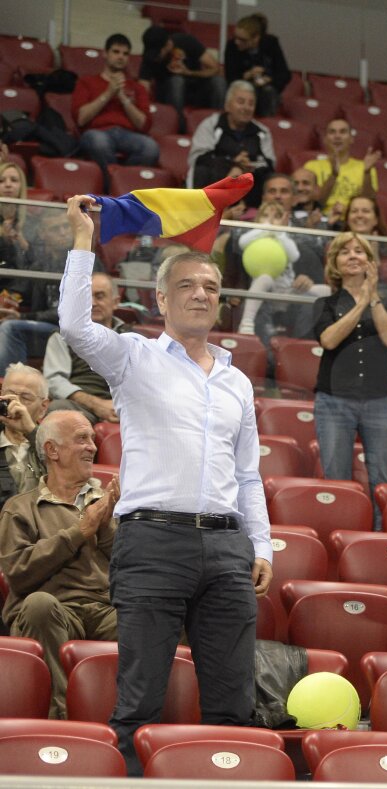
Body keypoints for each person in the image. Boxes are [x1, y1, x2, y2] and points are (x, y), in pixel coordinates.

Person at [60, 194, 272, 775]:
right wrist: (84, 242)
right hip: (153, 543)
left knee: (235, 705)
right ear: (160, 298)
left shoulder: (236, 381)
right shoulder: (133, 358)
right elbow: (75, 324)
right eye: (186, 285)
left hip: (228, 548)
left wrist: (261, 545)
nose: (201, 293)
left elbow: (249, 472)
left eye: (210, 286)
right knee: (139, 702)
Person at [0, 410, 120, 719]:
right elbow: (19, 575)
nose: (92, 447)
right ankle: (60, 721)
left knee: (158, 616)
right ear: (52, 450)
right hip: (53, 610)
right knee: (39, 605)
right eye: (81, 439)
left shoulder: (109, 503)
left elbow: (131, 569)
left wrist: (106, 526)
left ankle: (130, 725)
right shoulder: (21, 508)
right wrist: (79, 532)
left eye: (93, 439)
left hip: (105, 609)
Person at [312, 232, 387, 528]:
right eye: (345, 252)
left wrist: (372, 297)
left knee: (383, 478)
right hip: (334, 401)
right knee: (336, 478)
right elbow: (328, 340)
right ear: (335, 263)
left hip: (380, 401)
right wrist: (360, 304)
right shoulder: (325, 303)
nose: (352, 256)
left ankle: (377, 539)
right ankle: (340, 534)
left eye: (359, 251)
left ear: (370, 262)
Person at [0, 209, 102, 372]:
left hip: (75, 332)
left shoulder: (85, 261)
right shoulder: (41, 263)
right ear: (42, 233)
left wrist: (25, 316)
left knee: (11, 328)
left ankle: (8, 385)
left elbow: (72, 311)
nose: (62, 233)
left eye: (65, 227)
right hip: (46, 330)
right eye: (55, 229)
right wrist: (8, 300)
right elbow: (20, 288)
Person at [72, 33, 158, 189]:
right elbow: (80, 119)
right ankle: (114, 188)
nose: (121, 57)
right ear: (105, 53)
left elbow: (144, 125)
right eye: (116, 52)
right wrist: (108, 93)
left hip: (129, 135)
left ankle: (122, 186)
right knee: (98, 141)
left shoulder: (137, 87)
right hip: (98, 132)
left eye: (125, 54)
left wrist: (123, 98)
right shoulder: (87, 82)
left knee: (150, 147)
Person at [236, 200, 331, 336]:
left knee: (326, 290)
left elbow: (294, 255)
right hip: (265, 292)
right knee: (265, 278)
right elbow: (242, 242)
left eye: (276, 217)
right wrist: (267, 228)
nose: (270, 220)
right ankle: (246, 322)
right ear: (258, 219)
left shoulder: (283, 238)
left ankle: (329, 326)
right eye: (265, 216)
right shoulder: (254, 236)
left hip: (288, 292)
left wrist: (280, 232)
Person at [44, 273, 130, 423]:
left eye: (99, 296)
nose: (92, 302)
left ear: (115, 302)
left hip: (126, 406)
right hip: (81, 406)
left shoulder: (131, 338)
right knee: (59, 410)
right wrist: (96, 405)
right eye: (86, 297)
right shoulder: (63, 336)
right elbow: (54, 381)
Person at [187, 81, 275, 207]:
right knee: (201, 170)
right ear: (227, 105)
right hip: (216, 180)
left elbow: (269, 164)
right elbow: (198, 158)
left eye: (251, 103)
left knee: (273, 179)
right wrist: (232, 163)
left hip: (250, 184)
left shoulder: (262, 132)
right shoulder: (211, 125)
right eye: (241, 102)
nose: (246, 107)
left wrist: (248, 166)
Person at [138, 25, 224, 133]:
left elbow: (215, 68)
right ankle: (178, 127)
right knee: (177, 81)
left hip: (196, 90)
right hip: (169, 96)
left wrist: (188, 72)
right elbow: (143, 87)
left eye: (160, 52)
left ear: (168, 44)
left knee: (218, 81)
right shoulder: (150, 57)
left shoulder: (185, 41)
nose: (157, 56)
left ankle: (222, 124)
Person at [304, 118, 380, 217]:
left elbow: (369, 202)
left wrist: (366, 172)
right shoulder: (311, 166)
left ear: (351, 139)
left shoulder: (365, 167)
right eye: (332, 132)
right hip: (319, 220)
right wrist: (333, 175)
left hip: (352, 222)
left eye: (343, 132)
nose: (337, 136)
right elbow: (312, 204)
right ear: (325, 139)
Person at [0, 363, 49, 509]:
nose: (16, 404)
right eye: (9, 395)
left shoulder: (55, 443)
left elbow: (69, 473)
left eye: (26, 398)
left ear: (43, 407)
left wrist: (31, 431)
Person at [223, 13, 290, 117]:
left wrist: (269, 79)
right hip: (242, 87)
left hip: (266, 90)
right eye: (236, 37)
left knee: (268, 92)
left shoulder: (271, 43)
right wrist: (247, 75)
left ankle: (268, 123)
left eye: (243, 40)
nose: (237, 42)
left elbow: (284, 74)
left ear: (256, 38)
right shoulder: (232, 47)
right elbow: (230, 78)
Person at [0, 159, 29, 273]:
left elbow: (35, 261)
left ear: (21, 185)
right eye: (1, 181)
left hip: (22, 283)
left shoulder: (33, 220)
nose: (8, 184)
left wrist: (22, 243)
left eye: (14, 180)